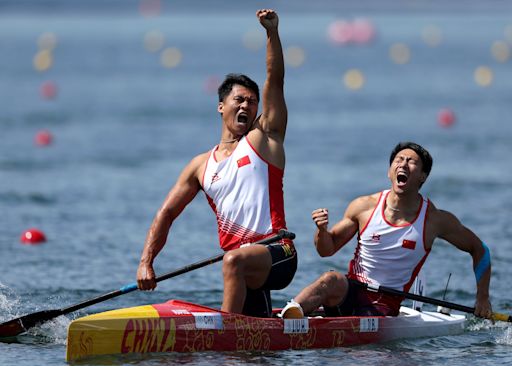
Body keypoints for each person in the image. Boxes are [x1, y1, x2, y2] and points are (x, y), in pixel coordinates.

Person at [136, 9, 297, 318]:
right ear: (221, 107)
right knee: (253, 354)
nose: (248, 105)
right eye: (240, 100)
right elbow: (167, 213)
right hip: (243, 266)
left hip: (279, 252)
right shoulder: (200, 165)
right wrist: (146, 262)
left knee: (233, 262)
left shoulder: (265, 139)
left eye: (252, 102)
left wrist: (271, 33)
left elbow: (275, 80)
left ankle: (223, 334)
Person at [280, 142, 492, 320]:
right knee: (330, 279)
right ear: (390, 171)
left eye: (412, 162)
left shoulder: (434, 220)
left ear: (423, 176)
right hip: (350, 289)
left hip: (384, 302)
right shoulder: (363, 206)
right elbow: (326, 250)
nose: (404, 164)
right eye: (399, 160)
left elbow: (479, 249)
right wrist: (321, 231)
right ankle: (289, 316)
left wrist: (482, 297)